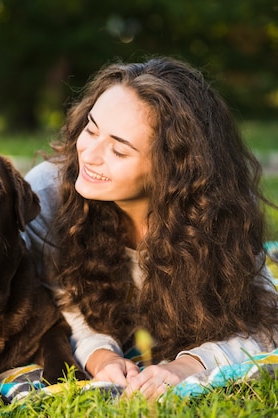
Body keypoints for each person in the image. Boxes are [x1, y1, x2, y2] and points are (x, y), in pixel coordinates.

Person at [24, 56, 278, 400]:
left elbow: (263, 322)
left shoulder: (218, 213)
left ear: (174, 167)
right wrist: (101, 356)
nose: (89, 154)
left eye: (118, 149)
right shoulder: (46, 198)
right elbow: (64, 308)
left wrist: (187, 366)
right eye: (91, 129)